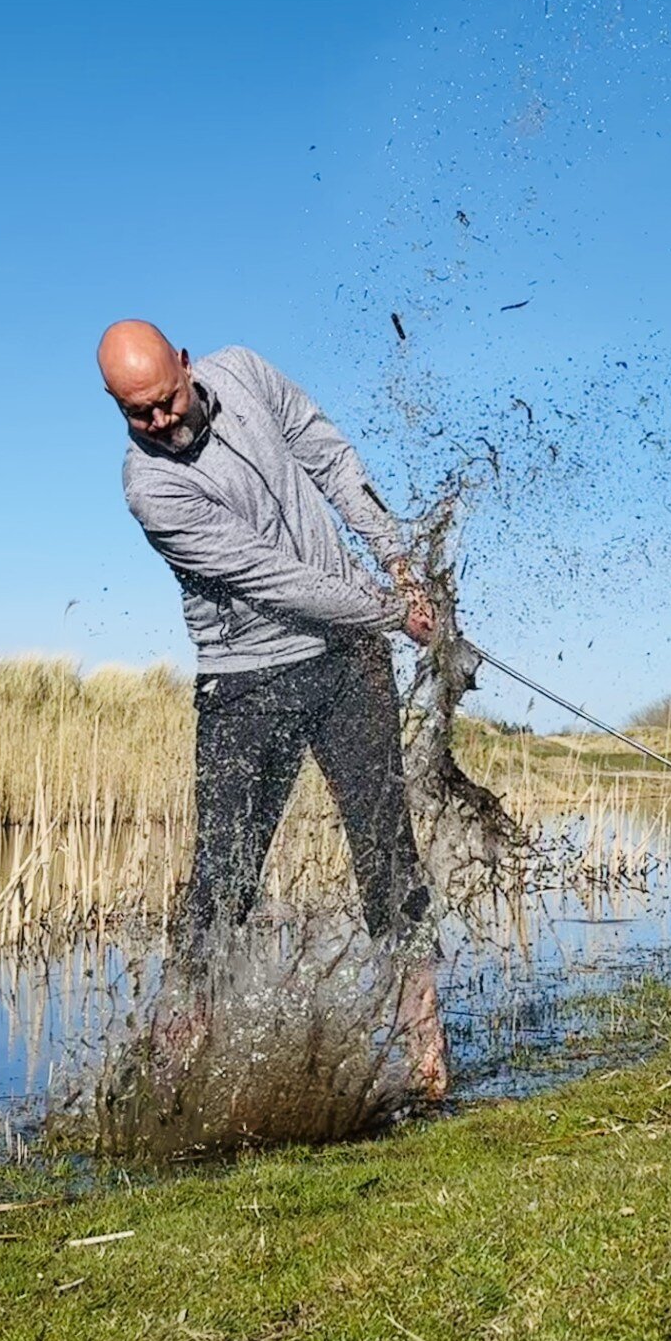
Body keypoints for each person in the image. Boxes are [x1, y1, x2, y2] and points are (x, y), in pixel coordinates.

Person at [98, 320, 449, 1095]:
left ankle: (427, 1055)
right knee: (224, 877)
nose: (161, 422)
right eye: (138, 414)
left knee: (388, 852)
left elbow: (327, 453)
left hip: (350, 661)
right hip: (248, 683)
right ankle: (173, 1079)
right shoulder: (151, 489)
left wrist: (397, 561)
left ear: (187, 365)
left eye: (165, 400)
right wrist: (390, 611)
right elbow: (274, 578)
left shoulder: (246, 372)